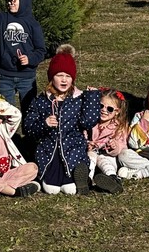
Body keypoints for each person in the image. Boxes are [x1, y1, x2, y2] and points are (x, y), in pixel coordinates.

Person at [24, 45, 100, 195]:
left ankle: (83, 174)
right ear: (52, 77)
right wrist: (44, 124)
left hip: (73, 151)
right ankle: (72, 177)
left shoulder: (79, 99)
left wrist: (92, 98)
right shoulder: (41, 100)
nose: (64, 80)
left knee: (70, 190)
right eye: (60, 75)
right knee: (51, 189)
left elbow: (88, 122)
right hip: (49, 153)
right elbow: (28, 128)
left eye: (68, 76)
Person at [0, 0, 47, 109]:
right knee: (7, 113)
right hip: (5, 75)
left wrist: (30, 59)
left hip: (27, 77)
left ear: (24, 0)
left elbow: (41, 50)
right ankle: (10, 130)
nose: (10, 3)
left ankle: (28, 130)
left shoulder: (32, 24)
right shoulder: (2, 19)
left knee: (29, 111)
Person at [85, 88, 129, 193]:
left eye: (109, 109)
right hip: (91, 154)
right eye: (101, 106)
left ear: (117, 112)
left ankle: (112, 178)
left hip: (109, 157)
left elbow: (122, 146)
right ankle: (87, 179)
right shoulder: (91, 121)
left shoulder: (119, 127)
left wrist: (114, 146)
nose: (104, 110)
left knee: (103, 159)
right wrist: (87, 143)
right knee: (92, 155)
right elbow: (83, 136)